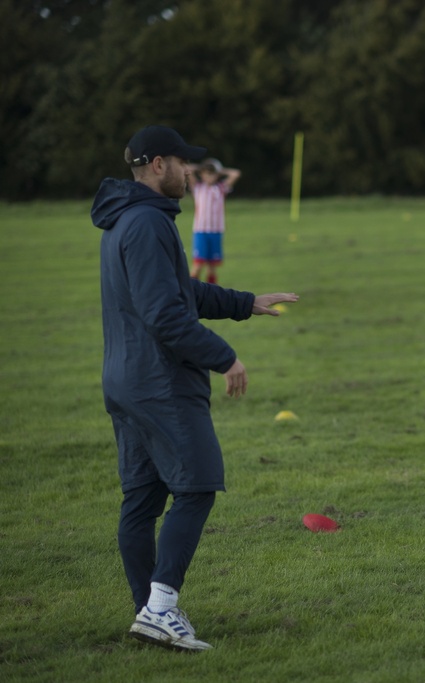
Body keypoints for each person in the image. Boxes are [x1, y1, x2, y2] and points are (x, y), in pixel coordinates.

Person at [91, 125, 298, 651]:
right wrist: (223, 357)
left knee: (142, 499)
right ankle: (160, 607)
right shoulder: (147, 223)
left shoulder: (128, 218)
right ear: (158, 164)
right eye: (184, 163)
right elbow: (165, 313)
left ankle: (149, 613)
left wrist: (244, 302)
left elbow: (177, 291)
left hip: (125, 377)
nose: (190, 172)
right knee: (198, 484)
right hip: (157, 380)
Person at [186, 157, 241, 284]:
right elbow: (187, 169)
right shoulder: (198, 188)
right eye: (207, 174)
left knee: (212, 267)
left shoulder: (221, 188)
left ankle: (211, 291)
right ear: (202, 174)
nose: (210, 176)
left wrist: (219, 170)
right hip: (201, 231)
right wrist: (201, 167)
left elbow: (236, 174)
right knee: (198, 264)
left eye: (213, 174)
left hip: (216, 231)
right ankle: (189, 289)